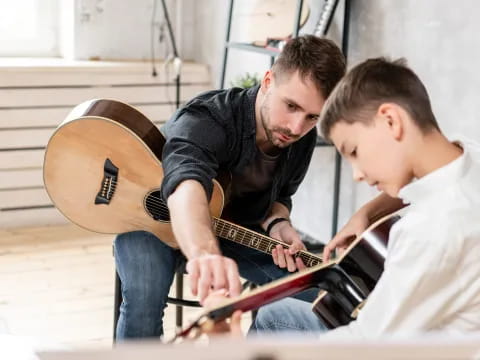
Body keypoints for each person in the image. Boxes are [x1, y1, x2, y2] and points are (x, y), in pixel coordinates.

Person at [211, 57, 480, 338]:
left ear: (390, 120)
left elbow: (362, 346)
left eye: (354, 151)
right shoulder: (469, 157)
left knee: (273, 325)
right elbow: (438, 174)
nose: (357, 174)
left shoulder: (428, 232)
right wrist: (366, 215)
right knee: (274, 314)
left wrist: (229, 344)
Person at [113, 35, 347, 340]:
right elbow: (186, 186)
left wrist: (278, 222)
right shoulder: (209, 117)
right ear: (267, 81)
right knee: (144, 294)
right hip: (152, 222)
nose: (296, 127)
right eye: (290, 106)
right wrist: (203, 252)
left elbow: (281, 196)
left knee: (315, 292)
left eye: (312, 116)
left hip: (233, 232)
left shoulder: (301, 140)